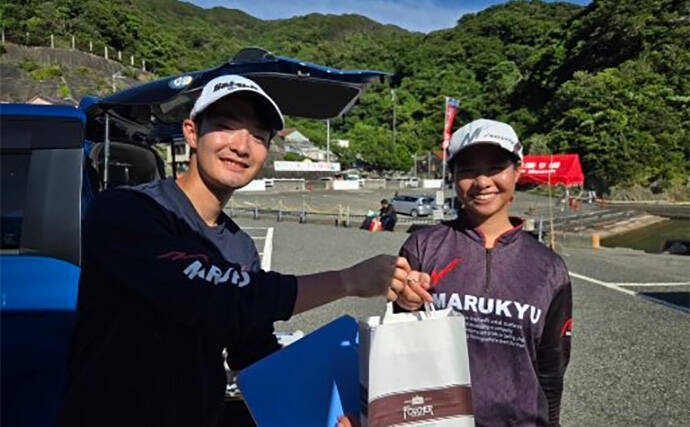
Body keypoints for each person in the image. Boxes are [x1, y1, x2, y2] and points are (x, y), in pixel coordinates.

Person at [58, 75, 432, 427]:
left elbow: (252, 352)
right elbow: (208, 297)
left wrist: (340, 402)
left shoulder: (239, 246)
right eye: (225, 126)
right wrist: (348, 281)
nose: (241, 146)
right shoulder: (126, 211)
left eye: (257, 135)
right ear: (192, 132)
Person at [394, 119, 572, 426]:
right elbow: (397, 345)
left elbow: (551, 370)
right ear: (453, 177)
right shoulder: (422, 246)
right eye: (467, 170)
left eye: (495, 168)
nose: (482, 182)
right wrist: (403, 303)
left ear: (517, 171)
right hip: (437, 419)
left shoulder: (550, 268)